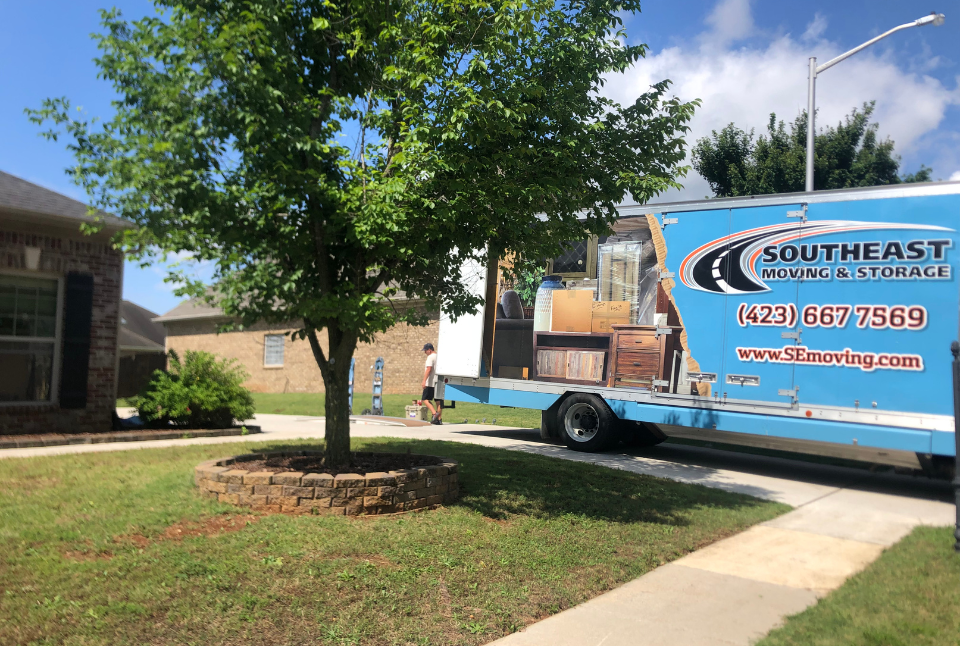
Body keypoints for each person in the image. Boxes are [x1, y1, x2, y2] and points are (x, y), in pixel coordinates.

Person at [421, 343, 442, 425]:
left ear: (429, 350)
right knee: (438, 401)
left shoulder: (430, 357)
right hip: (439, 381)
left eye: (425, 350)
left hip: (430, 382)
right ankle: (439, 420)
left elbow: (429, 369)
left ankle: (434, 414)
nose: (425, 352)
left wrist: (424, 381)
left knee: (425, 399)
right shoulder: (439, 356)